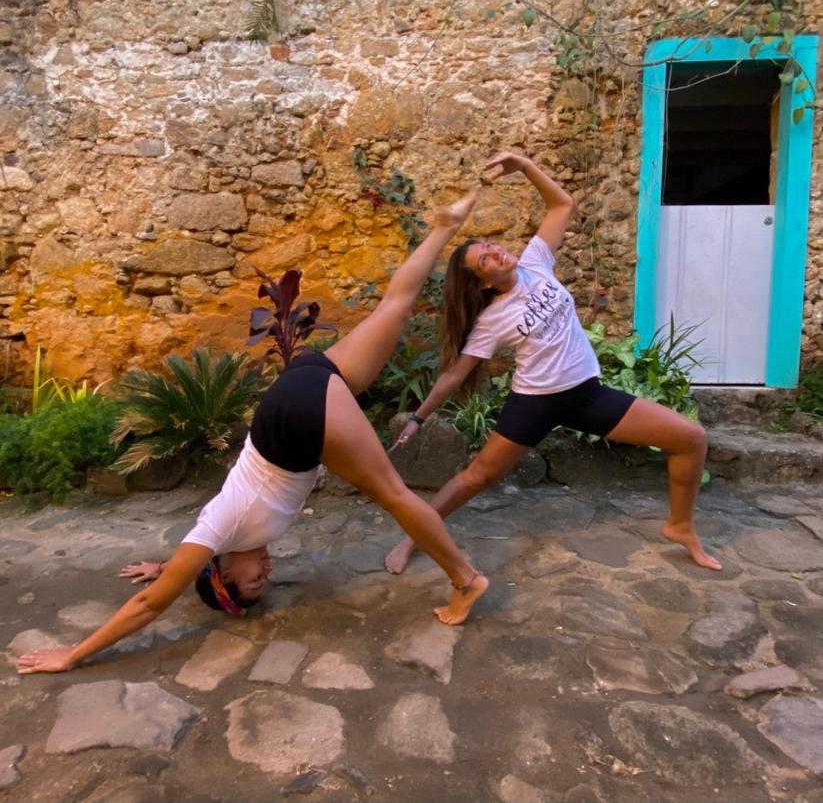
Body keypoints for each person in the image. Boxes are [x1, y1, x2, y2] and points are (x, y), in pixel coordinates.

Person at [17, 190, 489, 675]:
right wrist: (165, 569)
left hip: (295, 422)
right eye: (264, 583)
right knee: (394, 305)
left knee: (391, 493)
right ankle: (445, 226)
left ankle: (466, 579)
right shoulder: (215, 537)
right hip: (295, 388)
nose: (267, 572)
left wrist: (72, 654)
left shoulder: (221, 527)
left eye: (253, 581)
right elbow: (186, 563)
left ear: (221, 570)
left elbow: (151, 606)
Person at [384, 151, 721, 578]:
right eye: (484, 260)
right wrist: (417, 417)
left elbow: (563, 205)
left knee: (690, 438)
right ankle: (414, 536)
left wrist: (525, 166)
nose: (494, 253)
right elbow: (456, 373)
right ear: (481, 282)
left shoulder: (535, 262)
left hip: (586, 395)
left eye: (489, 246)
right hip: (535, 403)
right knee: (475, 478)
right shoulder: (489, 321)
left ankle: (680, 526)